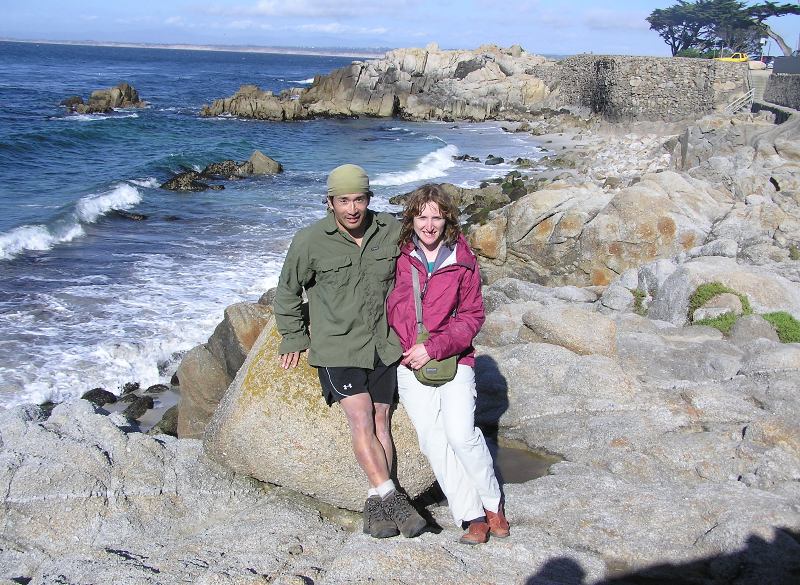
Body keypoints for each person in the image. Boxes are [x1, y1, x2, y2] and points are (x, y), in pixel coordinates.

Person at [274, 163, 427, 540]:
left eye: (359, 199)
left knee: (381, 419)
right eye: (343, 201)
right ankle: (393, 499)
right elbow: (287, 292)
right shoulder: (309, 241)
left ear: (369, 199)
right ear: (330, 203)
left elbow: (420, 272)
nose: (352, 208)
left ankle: (376, 506)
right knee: (360, 418)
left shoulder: (390, 232)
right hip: (337, 347)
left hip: (382, 343)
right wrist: (293, 336)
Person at [386, 183, 510, 545]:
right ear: (411, 219)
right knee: (433, 440)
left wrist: (435, 347)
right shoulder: (396, 256)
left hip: (455, 359)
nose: (428, 225)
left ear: (447, 220)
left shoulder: (462, 259)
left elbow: (472, 316)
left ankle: (493, 506)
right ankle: (471, 516)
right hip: (408, 362)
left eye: (436, 217)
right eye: (422, 216)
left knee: (462, 435)